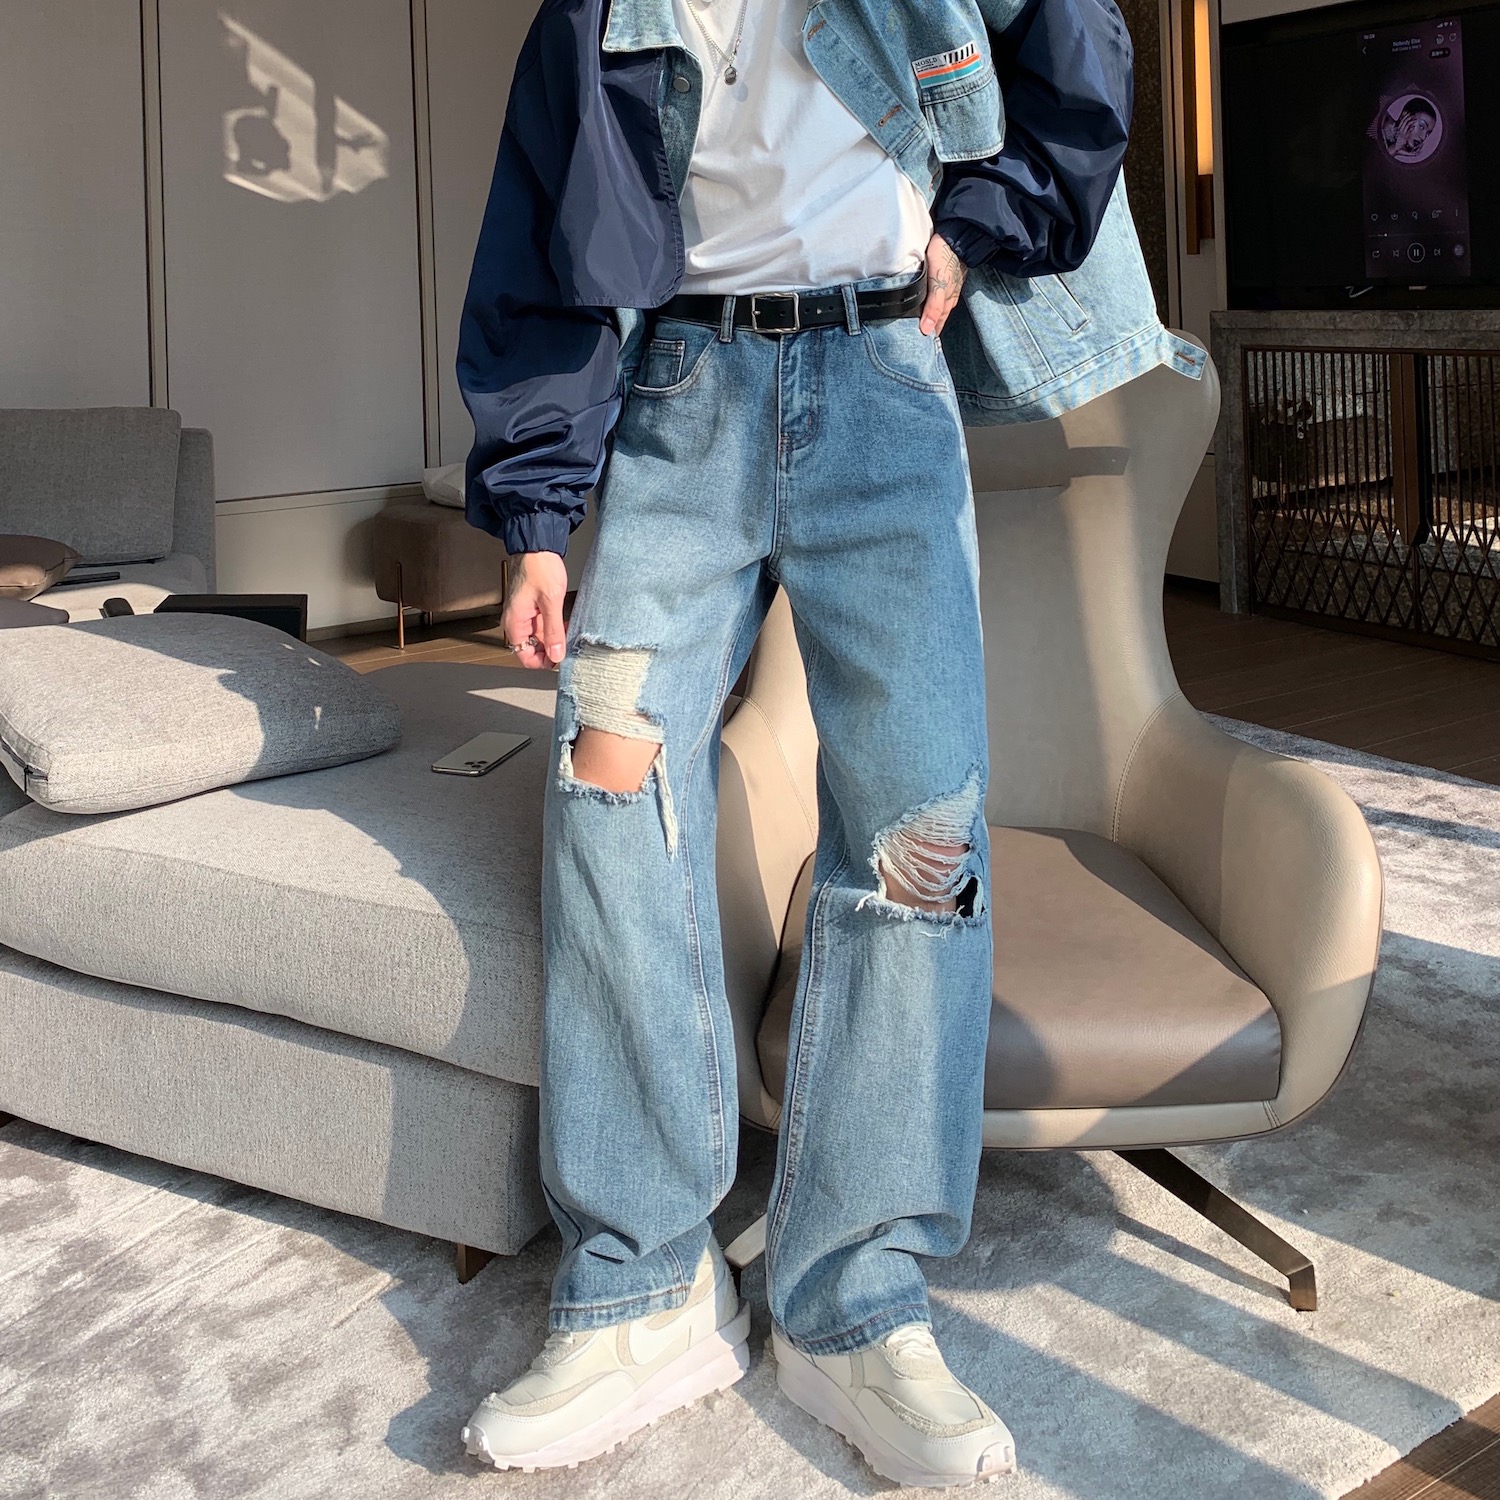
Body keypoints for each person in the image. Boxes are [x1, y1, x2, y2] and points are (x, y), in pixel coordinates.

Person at [454, 0, 1202, 1487]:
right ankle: (644, 1286)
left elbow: (1078, 59)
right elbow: (538, 237)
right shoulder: (596, 11)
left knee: (918, 835)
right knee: (605, 791)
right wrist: (537, 515)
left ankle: (855, 1299)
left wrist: (970, 234)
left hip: (881, 384)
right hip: (677, 401)